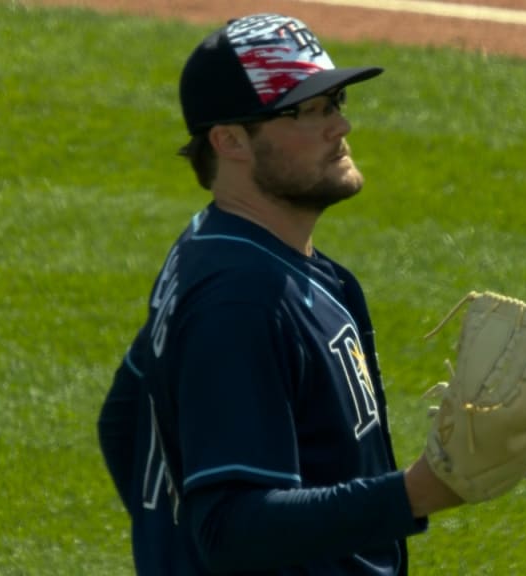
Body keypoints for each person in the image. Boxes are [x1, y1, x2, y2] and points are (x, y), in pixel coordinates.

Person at [98, 13, 464, 575]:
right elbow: (230, 526)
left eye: (336, 103)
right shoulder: (242, 298)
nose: (338, 128)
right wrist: (416, 493)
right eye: (307, 112)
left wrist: (167, 552)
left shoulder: (216, 246)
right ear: (231, 141)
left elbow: (124, 415)